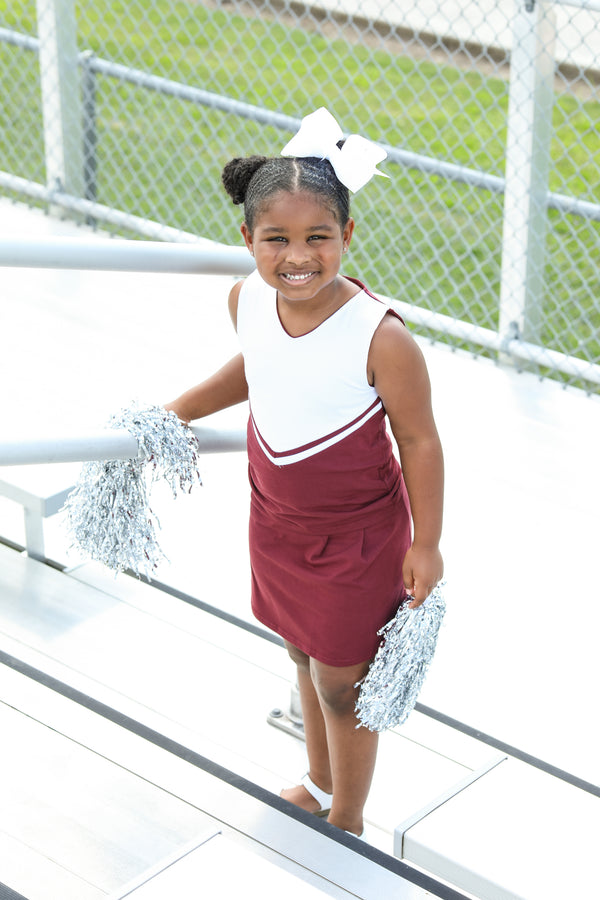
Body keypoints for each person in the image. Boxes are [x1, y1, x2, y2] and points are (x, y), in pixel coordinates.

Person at [165, 109, 444, 839]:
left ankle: (346, 819)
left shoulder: (381, 337)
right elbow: (260, 367)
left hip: (357, 539)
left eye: (318, 237)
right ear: (247, 240)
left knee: (342, 686)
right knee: (298, 650)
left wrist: (428, 543)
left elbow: (419, 440)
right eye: (277, 239)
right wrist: (179, 409)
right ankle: (319, 782)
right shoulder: (246, 298)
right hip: (275, 520)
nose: (298, 256)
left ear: (347, 238)